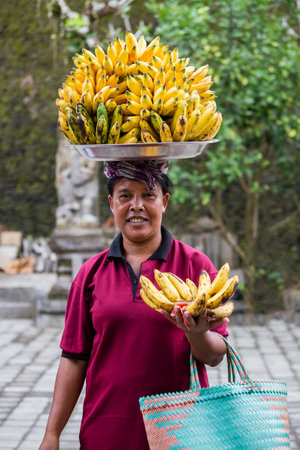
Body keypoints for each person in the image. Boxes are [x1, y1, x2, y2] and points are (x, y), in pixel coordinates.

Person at [39, 160, 229, 450]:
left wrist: (196, 331)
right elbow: (74, 358)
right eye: (125, 195)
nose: (136, 205)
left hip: (179, 433)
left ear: (164, 202)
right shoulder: (90, 273)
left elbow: (215, 356)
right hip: (105, 431)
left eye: (148, 195)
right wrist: (52, 434)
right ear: (111, 204)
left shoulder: (195, 266)